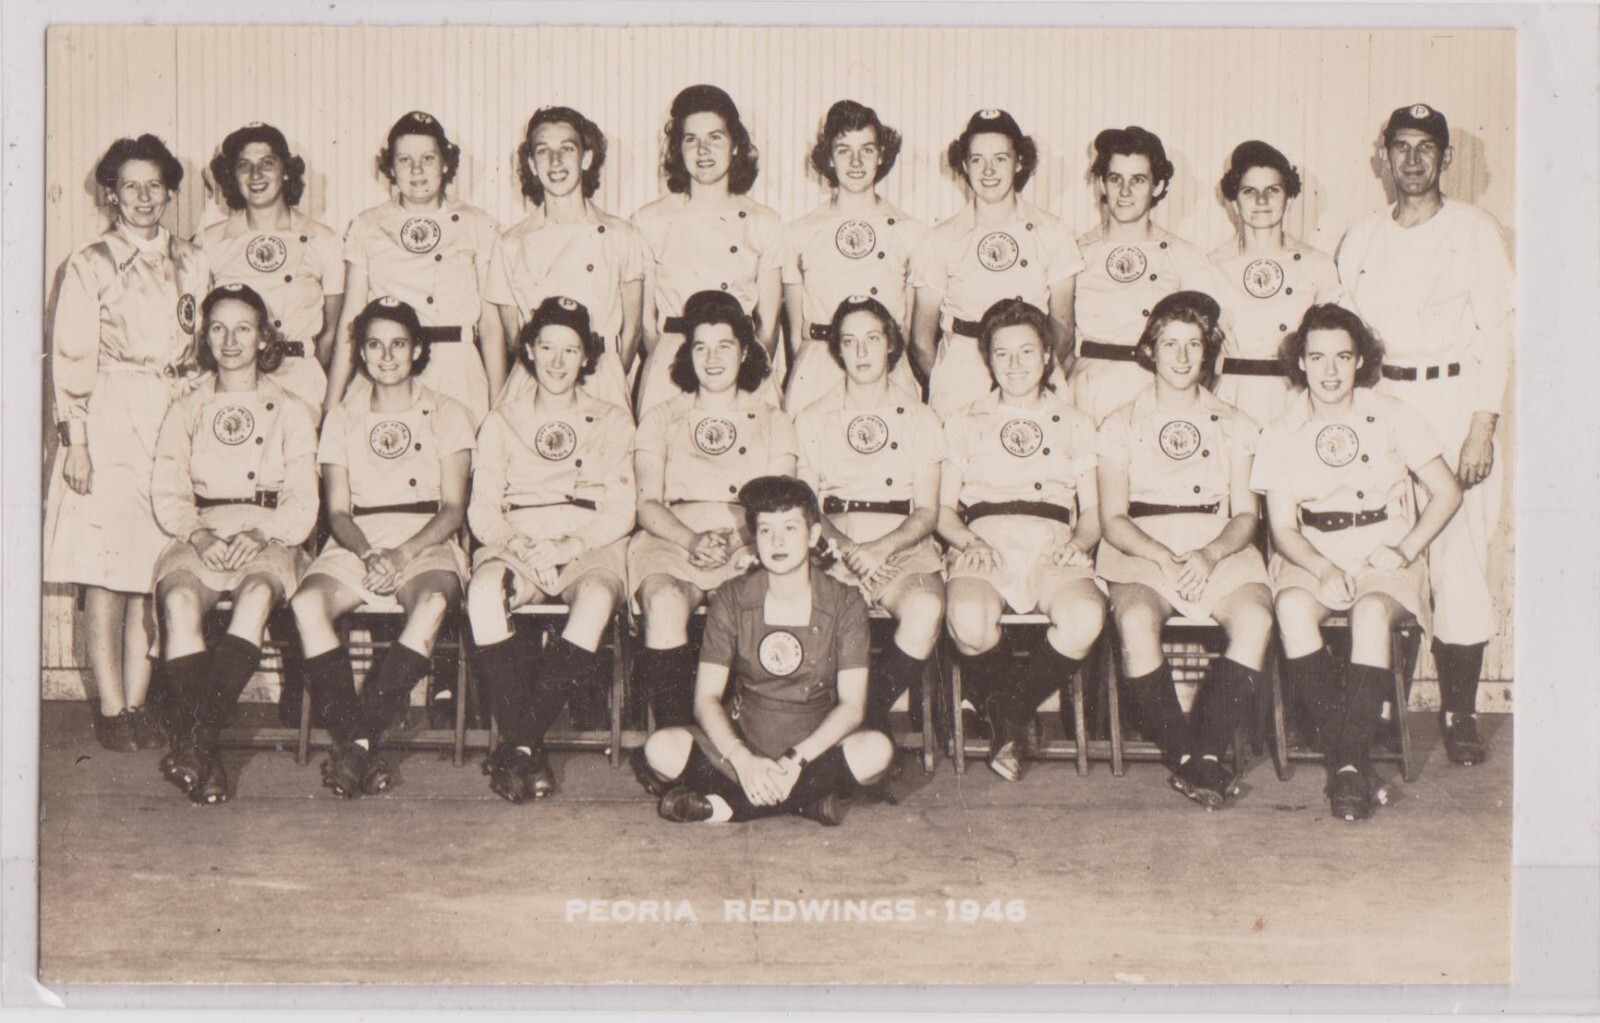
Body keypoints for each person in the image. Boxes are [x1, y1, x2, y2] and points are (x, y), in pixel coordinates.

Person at [1336, 103, 1514, 766]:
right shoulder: (1361, 237)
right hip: (1382, 400)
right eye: (1401, 147)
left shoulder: (1473, 230)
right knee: (1383, 547)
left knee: (1459, 561)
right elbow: (1343, 338)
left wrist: (1482, 425)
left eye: (1426, 149)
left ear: (1446, 158)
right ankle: (1383, 710)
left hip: (1451, 397)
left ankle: (1460, 713)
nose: (1412, 161)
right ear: (1384, 155)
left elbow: (1498, 332)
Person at [1252, 303, 1462, 820]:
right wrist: (1323, 568)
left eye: (1342, 357)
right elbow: (1282, 528)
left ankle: (1346, 765)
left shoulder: (1391, 413)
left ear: (1359, 360)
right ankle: (1354, 764)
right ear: (1299, 361)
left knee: (1370, 612)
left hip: (1381, 546)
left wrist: (1406, 548)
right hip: (1311, 551)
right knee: (1294, 610)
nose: (1329, 371)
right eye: (1317, 357)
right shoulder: (1280, 428)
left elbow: (1447, 491)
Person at [44, 133, 211, 751]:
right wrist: (77, 440)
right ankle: (113, 710)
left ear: (170, 191)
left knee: (154, 566)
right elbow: (71, 360)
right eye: (130, 186)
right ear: (111, 194)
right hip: (112, 417)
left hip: (174, 415)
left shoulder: (193, 261)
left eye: (155, 185)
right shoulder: (89, 264)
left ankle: (140, 701)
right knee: (106, 573)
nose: (144, 197)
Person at [290, 297, 476, 799]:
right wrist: (371, 552)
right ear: (362, 352)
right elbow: (337, 512)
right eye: (374, 345)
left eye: (398, 344)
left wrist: (402, 554)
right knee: (307, 604)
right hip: (358, 539)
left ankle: (356, 742)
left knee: (434, 604)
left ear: (418, 350)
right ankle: (361, 743)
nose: (387, 356)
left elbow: (454, 508)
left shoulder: (449, 412)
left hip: (426, 537)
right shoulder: (342, 417)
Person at [1096, 291, 1274, 808]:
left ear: (1208, 351)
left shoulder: (1236, 423)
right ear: (1149, 350)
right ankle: (1191, 755)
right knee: (1133, 621)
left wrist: (1208, 555)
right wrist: (1161, 555)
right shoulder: (1119, 422)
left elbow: (1246, 515)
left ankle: (1207, 751)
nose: (1181, 357)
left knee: (1257, 621)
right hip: (1142, 546)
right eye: (1169, 344)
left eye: (1193, 345)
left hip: (1216, 544)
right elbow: (1112, 518)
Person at [640, 475, 895, 825]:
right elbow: (706, 700)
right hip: (744, 741)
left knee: (876, 752)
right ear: (754, 539)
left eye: (790, 528)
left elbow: (852, 707)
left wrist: (795, 761)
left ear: (814, 536)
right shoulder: (732, 597)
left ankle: (731, 808)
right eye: (765, 530)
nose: (777, 541)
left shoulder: (844, 601)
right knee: (660, 750)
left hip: (813, 750)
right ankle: (807, 801)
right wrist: (744, 761)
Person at [149, 284, 318, 803]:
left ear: (264, 336)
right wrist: (198, 533)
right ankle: (206, 751)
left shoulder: (290, 408)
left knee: (256, 597)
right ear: (205, 336)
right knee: (177, 599)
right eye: (218, 328)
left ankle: (197, 741)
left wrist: (260, 533)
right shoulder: (187, 406)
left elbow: (303, 501)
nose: (230, 340)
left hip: (266, 530)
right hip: (201, 528)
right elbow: (168, 488)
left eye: (243, 328)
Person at [466, 297, 637, 804]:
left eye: (571, 350)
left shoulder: (612, 419)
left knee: (597, 600)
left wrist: (569, 545)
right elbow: (482, 511)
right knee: (482, 592)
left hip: (589, 541)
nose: (558, 362)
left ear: (587, 357)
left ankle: (519, 743)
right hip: (521, 541)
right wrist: (521, 544)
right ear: (529, 351)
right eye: (547, 348)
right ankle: (526, 747)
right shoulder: (502, 421)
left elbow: (622, 507)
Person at [937, 298, 1105, 781]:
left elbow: (1093, 511)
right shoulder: (964, 420)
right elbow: (944, 512)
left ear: (1048, 355)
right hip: (985, 538)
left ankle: (1007, 711)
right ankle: (1012, 717)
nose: (1015, 365)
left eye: (1027, 352)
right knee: (968, 619)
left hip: (1052, 540)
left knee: (1084, 616)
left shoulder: (1074, 422)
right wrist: (969, 541)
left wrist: (1081, 540)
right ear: (987, 358)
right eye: (1002, 354)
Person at [627, 290, 798, 730]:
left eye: (725, 346)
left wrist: (741, 540)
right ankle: (674, 741)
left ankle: (736, 738)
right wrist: (691, 539)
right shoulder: (662, 416)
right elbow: (647, 503)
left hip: (747, 539)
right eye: (701, 347)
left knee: (750, 606)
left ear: (745, 351)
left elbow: (781, 502)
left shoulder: (773, 419)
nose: (713, 358)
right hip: (671, 537)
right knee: (664, 601)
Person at [794, 296, 946, 736]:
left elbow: (928, 511)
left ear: (891, 345)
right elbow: (808, 505)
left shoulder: (921, 418)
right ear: (837, 350)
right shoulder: (813, 417)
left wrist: (880, 549)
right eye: (849, 342)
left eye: (872, 340)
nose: (861, 353)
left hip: (901, 544)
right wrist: (846, 550)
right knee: (811, 616)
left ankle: (860, 723)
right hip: (832, 543)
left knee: (927, 607)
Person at [328, 111, 503, 426]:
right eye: (405, 160)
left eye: (428, 158)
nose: (417, 169)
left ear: (445, 163)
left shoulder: (477, 224)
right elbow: (349, 325)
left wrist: (498, 408)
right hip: (388, 368)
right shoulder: (367, 225)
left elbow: (491, 328)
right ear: (391, 169)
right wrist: (331, 404)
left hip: (457, 369)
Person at [911, 108, 1080, 418]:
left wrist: (1033, 377)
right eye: (977, 159)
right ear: (964, 164)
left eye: (1000, 158)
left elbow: (1063, 329)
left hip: (1031, 373)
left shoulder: (1053, 232)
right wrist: (951, 378)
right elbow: (922, 341)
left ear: (1019, 162)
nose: (988, 171)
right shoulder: (940, 239)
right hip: (962, 373)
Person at [633, 85, 783, 415]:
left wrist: (744, 363)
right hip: (672, 364)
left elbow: (768, 326)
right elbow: (646, 322)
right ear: (678, 148)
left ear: (735, 146)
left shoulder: (764, 222)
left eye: (715, 137)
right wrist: (668, 361)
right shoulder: (650, 220)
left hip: (740, 362)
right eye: (691, 139)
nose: (703, 150)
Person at [487, 107, 643, 413]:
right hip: (533, 384)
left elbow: (633, 329)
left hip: (601, 380)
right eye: (544, 151)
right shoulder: (510, 243)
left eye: (567, 149)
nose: (555, 162)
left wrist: (607, 375)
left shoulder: (622, 235)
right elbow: (514, 337)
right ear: (532, 164)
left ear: (586, 158)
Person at [781, 100, 924, 414]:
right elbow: (795, 334)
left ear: (882, 155)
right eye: (845, 150)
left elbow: (909, 327)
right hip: (819, 368)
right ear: (829, 157)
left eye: (867, 149)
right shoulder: (799, 233)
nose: (856, 162)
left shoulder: (910, 232)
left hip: (887, 369)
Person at [195, 122, 345, 420]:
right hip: (235, 382)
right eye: (244, 166)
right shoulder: (209, 242)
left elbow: (333, 333)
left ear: (286, 170)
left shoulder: (324, 239)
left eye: (267, 163)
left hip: (302, 383)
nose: (255, 176)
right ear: (231, 176)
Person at [1068, 126, 1214, 425]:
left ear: (1158, 186)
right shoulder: (1076, 252)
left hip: (1155, 391)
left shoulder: (1184, 256)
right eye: (1115, 179)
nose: (1124, 192)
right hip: (1087, 394)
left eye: (1138, 180)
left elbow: (1208, 345)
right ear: (1100, 184)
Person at [1207, 140, 1341, 426]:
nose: (1261, 201)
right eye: (1249, 191)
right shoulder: (1211, 267)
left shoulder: (1317, 265)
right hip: (1232, 397)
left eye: (1273, 191)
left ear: (1289, 199)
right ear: (1233, 201)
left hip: (1295, 399)